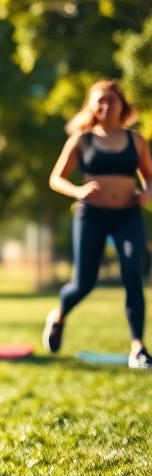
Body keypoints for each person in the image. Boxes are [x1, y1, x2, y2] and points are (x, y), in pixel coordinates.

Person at [43, 80, 152, 369]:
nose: (105, 107)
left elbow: (149, 176)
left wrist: (148, 193)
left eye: (111, 101)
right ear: (92, 107)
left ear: (122, 105)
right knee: (84, 283)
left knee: (132, 272)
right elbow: (56, 178)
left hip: (128, 215)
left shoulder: (135, 141)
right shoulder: (82, 139)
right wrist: (78, 191)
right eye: (99, 102)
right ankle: (59, 316)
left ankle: (138, 347)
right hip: (92, 216)